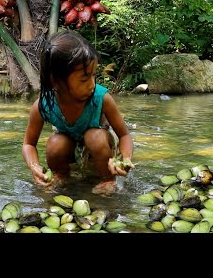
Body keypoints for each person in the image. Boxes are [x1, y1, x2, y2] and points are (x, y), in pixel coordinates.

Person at [22, 30, 134, 194]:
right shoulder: (44, 106)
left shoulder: (101, 98)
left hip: (101, 140)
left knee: (94, 137)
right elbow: (28, 144)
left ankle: (108, 180)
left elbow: (125, 136)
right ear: (56, 81)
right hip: (69, 141)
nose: (91, 85)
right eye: (84, 79)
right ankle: (61, 176)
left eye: (93, 75)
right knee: (55, 143)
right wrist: (35, 166)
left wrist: (124, 159)